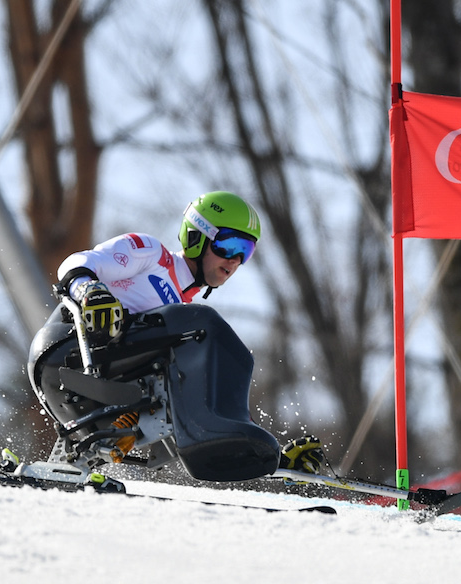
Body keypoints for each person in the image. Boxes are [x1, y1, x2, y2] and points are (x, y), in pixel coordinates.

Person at [29, 190, 324, 475]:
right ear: (197, 238)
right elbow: (77, 262)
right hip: (68, 353)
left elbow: (210, 396)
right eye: (229, 245)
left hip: (106, 393)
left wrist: (267, 454)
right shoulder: (153, 256)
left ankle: (244, 449)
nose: (234, 260)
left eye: (245, 252)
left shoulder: (185, 322)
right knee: (205, 330)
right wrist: (90, 291)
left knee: (210, 359)